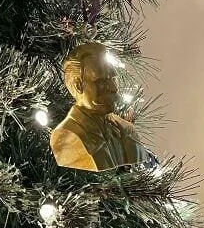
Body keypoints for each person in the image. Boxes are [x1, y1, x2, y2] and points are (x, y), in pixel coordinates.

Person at [51, 42, 149, 172]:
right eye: (101, 82)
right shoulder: (66, 137)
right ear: (78, 85)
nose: (114, 88)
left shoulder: (127, 129)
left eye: (113, 79)